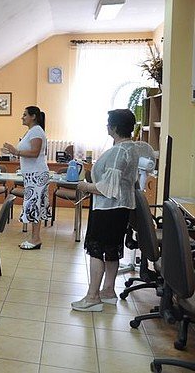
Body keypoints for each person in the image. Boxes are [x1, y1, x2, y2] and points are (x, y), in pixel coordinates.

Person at [71, 109, 139, 312]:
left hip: (108, 209)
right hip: (120, 208)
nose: (107, 126)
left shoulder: (118, 151)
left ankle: (92, 297)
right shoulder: (132, 148)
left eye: (109, 123)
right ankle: (108, 291)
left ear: (115, 127)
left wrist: (85, 186)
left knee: (97, 250)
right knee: (111, 249)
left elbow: (108, 188)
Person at [2, 106, 50, 250]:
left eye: (24, 115)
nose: (22, 117)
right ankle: (35, 238)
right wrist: (14, 152)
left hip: (36, 174)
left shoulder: (36, 131)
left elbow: (35, 153)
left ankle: (35, 239)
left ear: (33, 116)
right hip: (32, 174)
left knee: (34, 206)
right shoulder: (32, 131)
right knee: (35, 205)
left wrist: (15, 151)